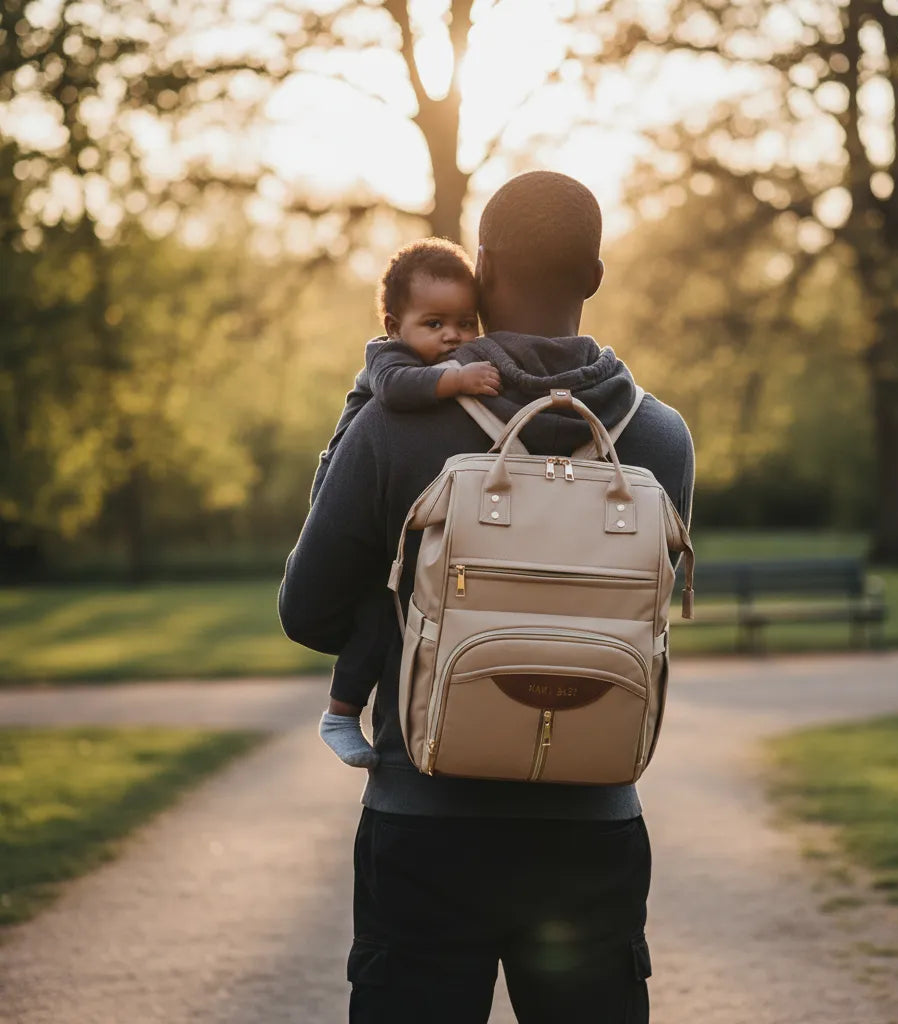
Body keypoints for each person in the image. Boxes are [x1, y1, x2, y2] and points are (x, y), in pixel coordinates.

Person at [279, 171, 695, 1024]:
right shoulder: (658, 435)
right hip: (593, 826)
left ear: (483, 266)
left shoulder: (397, 420)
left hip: (424, 821)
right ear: (596, 276)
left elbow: (307, 611)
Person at [312, 238, 501, 768]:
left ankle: (347, 710)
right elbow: (396, 390)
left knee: (386, 606)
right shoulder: (386, 357)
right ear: (395, 325)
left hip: (391, 502)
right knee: (377, 600)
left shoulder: (437, 352)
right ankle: (340, 713)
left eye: (467, 323)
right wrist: (457, 379)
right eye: (434, 324)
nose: (453, 337)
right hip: (347, 491)